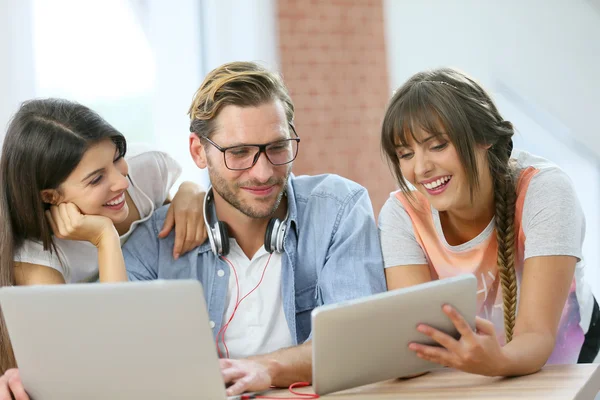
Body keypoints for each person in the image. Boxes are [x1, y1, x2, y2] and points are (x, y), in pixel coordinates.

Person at [118, 61, 386, 396]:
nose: (262, 173)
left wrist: (265, 368)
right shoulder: (153, 245)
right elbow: (114, 356)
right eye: (240, 153)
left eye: (277, 147)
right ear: (198, 151)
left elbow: (357, 341)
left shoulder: (337, 210)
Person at [378, 67, 600, 377]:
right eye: (405, 154)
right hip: (471, 372)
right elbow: (417, 342)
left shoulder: (544, 191)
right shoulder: (401, 214)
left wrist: (498, 363)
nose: (421, 168)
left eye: (438, 146)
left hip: (562, 360)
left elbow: (536, 335)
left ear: (484, 138)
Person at [0, 99, 207, 378]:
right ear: (51, 196)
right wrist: (104, 237)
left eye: (115, 158)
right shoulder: (36, 261)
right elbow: (114, 347)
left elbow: (168, 231)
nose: (122, 182)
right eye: (96, 179)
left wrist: (190, 191)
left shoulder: (144, 172)